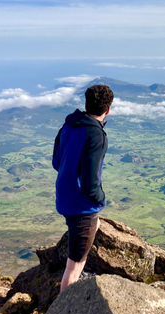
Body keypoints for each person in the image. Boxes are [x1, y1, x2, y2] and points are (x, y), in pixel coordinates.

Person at [52, 84, 113, 293]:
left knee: (91, 232)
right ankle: (64, 309)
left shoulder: (69, 125)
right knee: (73, 267)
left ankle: (78, 277)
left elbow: (57, 162)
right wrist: (101, 199)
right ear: (108, 110)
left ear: (86, 104)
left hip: (65, 196)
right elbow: (90, 182)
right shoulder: (96, 135)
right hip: (81, 205)